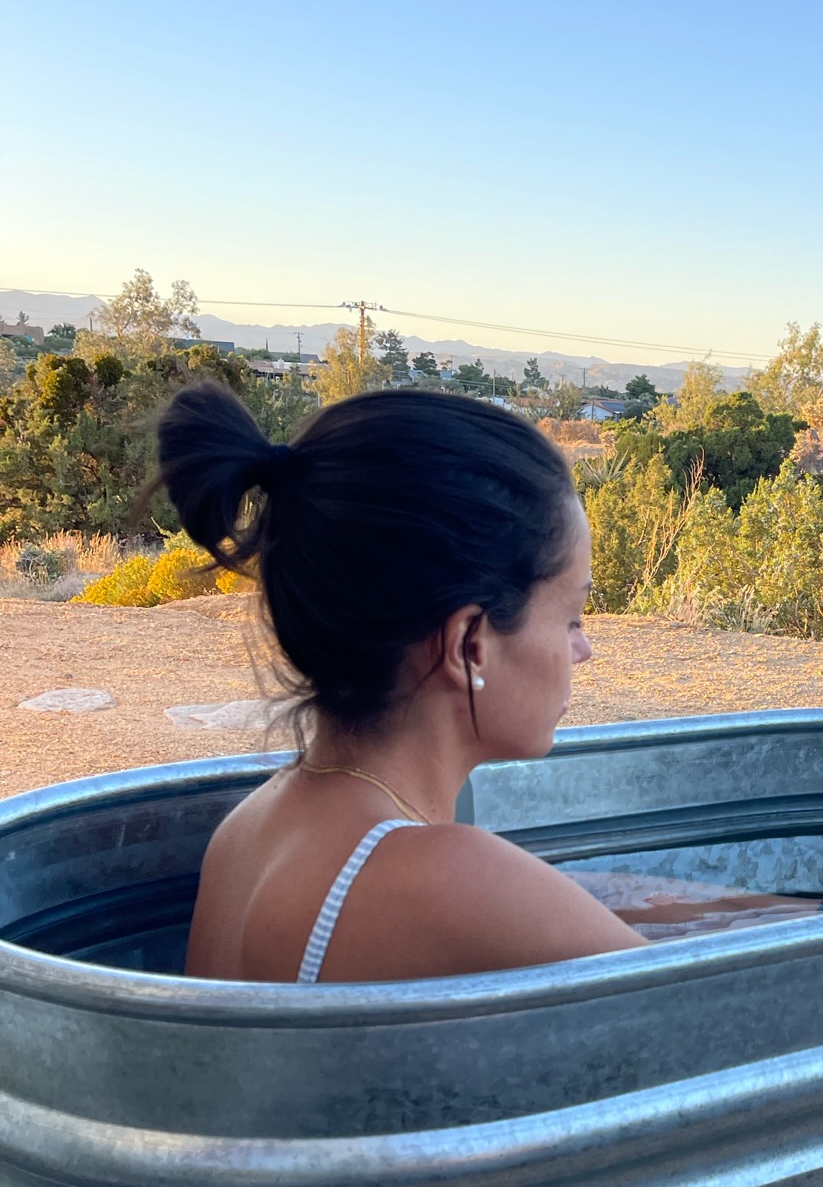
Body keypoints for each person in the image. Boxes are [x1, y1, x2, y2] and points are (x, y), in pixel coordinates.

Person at [159, 385, 782, 983]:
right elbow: (715, 1017)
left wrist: (792, 914)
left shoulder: (252, 828)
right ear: (469, 645)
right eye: (570, 617)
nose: (583, 651)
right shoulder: (443, 873)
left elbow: (576, 905)